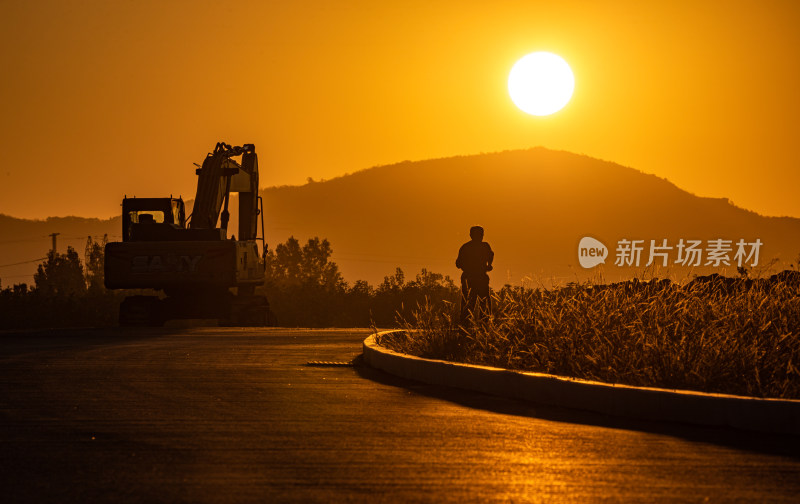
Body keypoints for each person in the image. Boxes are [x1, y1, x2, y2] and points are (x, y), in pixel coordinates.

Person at [455, 226, 494, 323]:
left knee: (469, 303)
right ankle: (482, 325)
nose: (480, 237)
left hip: (471, 278)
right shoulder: (484, 246)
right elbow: (491, 256)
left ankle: (466, 325)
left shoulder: (466, 247)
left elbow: (458, 264)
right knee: (482, 303)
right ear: (471, 235)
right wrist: (488, 265)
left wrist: (488, 265)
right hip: (477, 278)